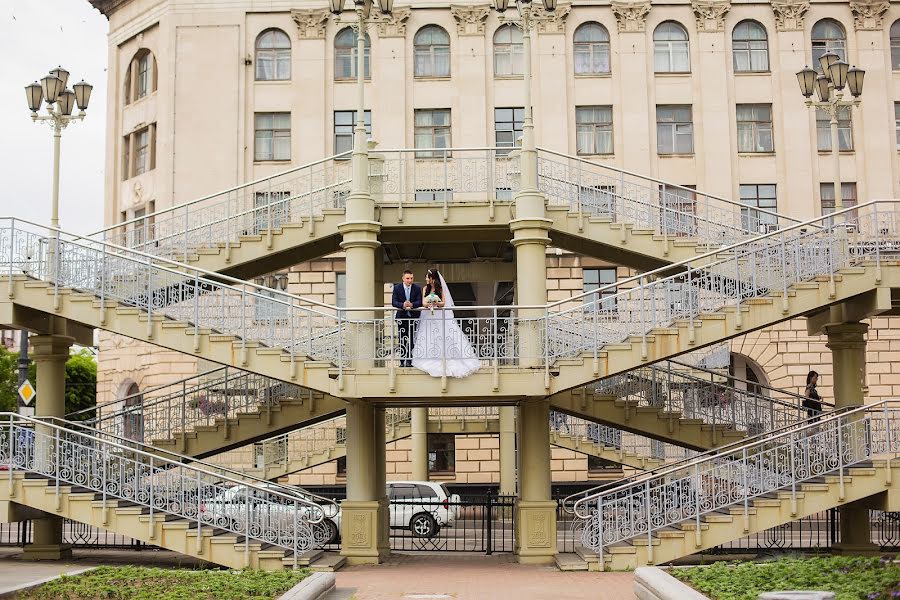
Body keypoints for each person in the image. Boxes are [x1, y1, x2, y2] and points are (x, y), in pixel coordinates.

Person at [411, 269, 481, 378]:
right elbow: (423, 302)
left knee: (445, 335)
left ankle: (449, 358)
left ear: (432, 278)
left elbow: (443, 302)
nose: (425, 279)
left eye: (427, 277)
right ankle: (430, 359)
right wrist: (429, 303)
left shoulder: (440, 289)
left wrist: (436, 303)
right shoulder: (425, 289)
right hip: (429, 316)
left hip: (439, 314)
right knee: (430, 336)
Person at [391, 270, 422, 367]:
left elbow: (420, 301)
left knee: (412, 339)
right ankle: (402, 360)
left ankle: (409, 360)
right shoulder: (397, 288)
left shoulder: (417, 288)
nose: (410, 280)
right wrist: (403, 305)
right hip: (402, 318)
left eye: (411, 278)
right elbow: (394, 302)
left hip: (413, 318)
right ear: (403, 279)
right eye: (407, 278)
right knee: (402, 339)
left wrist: (412, 305)